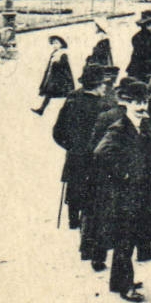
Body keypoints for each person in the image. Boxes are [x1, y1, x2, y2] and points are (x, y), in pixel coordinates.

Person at [94, 78, 151, 302]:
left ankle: (117, 280)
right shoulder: (120, 127)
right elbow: (101, 152)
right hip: (124, 194)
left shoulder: (140, 125)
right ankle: (126, 286)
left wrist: (150, 164)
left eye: (145, 102)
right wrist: (124, 174)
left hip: (137, 191)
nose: (141, 107)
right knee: (125, 239)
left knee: (128, 237)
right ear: (126, 103)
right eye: (136, 103)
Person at [54, 64, 115, 240]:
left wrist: (70, 146)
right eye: (103, 83)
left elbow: (58, 130)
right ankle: (89, 232)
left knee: (75, 184)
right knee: (93, 194)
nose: (106, 86)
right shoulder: (104, 106)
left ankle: (73, 220)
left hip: (75, 154)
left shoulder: (72, 98)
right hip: (96, 157)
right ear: (97, 85)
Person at [33, 35, 75, 116]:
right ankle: (41, 109)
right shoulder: (54, 53)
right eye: (53, 43)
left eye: (56, 43)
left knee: (68, 94)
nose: (54, 45)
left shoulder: (63, 54)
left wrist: (57, 64)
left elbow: (64, 67)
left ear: (61, 44)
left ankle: (73, 110)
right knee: (49, 93)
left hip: (62, 79)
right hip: (53, 78)